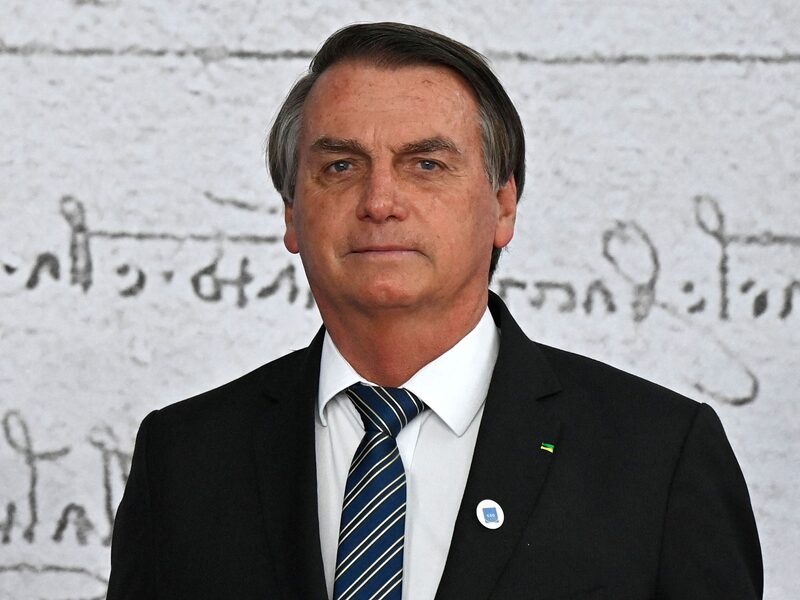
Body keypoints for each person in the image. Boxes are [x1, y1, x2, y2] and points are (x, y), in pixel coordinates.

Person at [106, 22, 763, 600]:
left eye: (426, 163)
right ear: (291, 215)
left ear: (504, 207)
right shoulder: (185, 457)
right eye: (339, 166)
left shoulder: (658, 455)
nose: (380, 201)